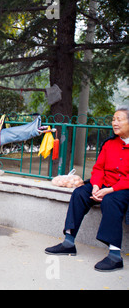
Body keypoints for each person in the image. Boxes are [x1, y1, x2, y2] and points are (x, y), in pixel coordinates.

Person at [45, 105, 129, 272]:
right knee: (79, 193)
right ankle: (68, 242)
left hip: (122, 188)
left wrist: (110, 190)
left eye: (119, 119)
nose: (114, 123)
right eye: (113, 119)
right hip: (103, 184)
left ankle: (114, 255)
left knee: (111, 202)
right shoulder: (109, 144)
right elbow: (99, 168)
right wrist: (96, 185)